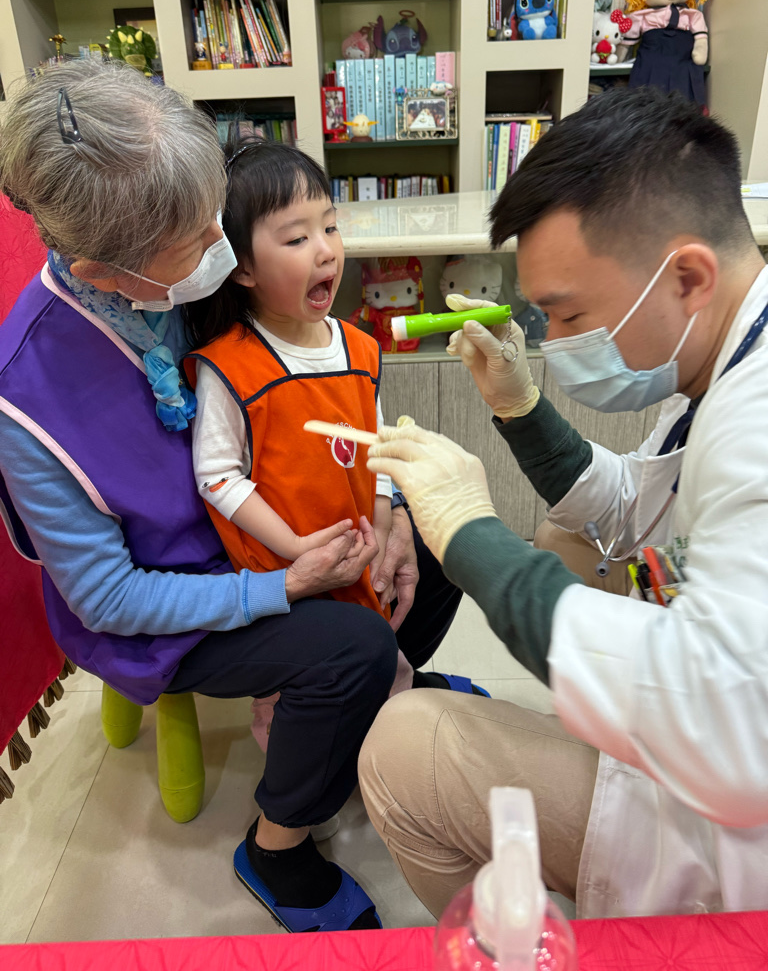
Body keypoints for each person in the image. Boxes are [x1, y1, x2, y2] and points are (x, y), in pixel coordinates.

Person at [0, 60, 470, 934]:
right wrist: (281, 585)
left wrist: (398, 511)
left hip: (281, 520)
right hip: (178, 598)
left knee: (446, 543)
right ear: (105, 271)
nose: (224, 248)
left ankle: (382, 699)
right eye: (199, 241)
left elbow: (331, 389)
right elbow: (109, 597)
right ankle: (277, 845)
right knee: (351, 647)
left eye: (220, 219)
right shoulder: (28, 401)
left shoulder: (196, 272)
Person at [359, 87, 768, 919]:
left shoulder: (753, 424)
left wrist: (467, 534)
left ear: (687, 276)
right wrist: (520, 409)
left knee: (401, 748)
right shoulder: (724, 352)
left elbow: (726, 726)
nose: (555, 341)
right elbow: (636, 500)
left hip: (734, 809)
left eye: (569, 313)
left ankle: (537, 942)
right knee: (564, 538)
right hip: (716, 702)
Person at [182, 139, 423, 746]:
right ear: (242, 268)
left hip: (355, 556)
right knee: (299, 706)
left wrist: (383, 519)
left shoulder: (359, 347)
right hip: (286, 577)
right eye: (296, 238)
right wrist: (293, 548)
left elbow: (374, 444)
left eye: (331, 227)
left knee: (382, 662)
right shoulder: (229, 366)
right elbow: (216, 476)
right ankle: (305, 781)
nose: (325, 250)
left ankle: (386, 753)